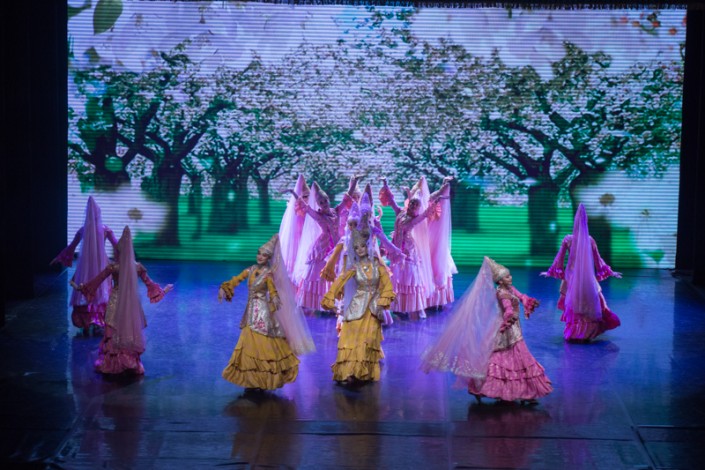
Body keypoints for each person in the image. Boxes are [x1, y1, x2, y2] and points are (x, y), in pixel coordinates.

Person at [422, 257, 552, 405]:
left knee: (514, 357)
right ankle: (497, 389)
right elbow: (508, 309)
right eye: (507, 277)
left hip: (513, 327)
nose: (510, 278)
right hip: (506, 327)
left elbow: (520, 295)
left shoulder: (509, 288)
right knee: (508, 357)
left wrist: (526, 300)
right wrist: (510, 316)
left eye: (510, 275)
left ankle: (519, 391)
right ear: (500, 281)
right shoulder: (502, 293)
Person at [219, 235, 314, 392]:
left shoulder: (268, 274)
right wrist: (226, 287)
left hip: (262, 313)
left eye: (264, 255)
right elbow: (237, 279)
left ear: (269, 258)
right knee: (248, 345)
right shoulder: (251, 270)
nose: (260, 257)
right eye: (259, 253)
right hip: (250, 312)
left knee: (263, 346)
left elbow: (272, 290)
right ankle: (251, 379)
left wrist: (275, 298)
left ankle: (262, 379)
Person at [75, 226, 172, 375]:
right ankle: (129, 362)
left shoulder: (113, 267)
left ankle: (113, 364)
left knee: (113, 332)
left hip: (115, 302)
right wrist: (164, 290)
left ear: (119, 251)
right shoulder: (138, 267)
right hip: (131, 305)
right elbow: (150, 285)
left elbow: (95, 282)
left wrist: (83, 287)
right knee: (128, 331)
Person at [322, 229, 396, 385]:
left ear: (368, 246)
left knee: (367, 340)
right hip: (357, 306)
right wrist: (330, 297)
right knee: (350, 339)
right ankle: (350, 371)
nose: (360, 249)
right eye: (356, 247)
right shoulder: (354, 267)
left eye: (362, 246)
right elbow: (340, 281)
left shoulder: (377, 264)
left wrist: (385, 297)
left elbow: (387, 284)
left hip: (373, 308)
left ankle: (362, 371)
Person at [542, 204, 622, 342]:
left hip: (573, 278)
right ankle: (585, 333)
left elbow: (560, 258)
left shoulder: (570, 239)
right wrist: (609, 271)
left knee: (577, 304)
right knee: (588, 303)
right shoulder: (587, 240)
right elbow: (597, 260)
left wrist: (552, 271)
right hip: (585, 279)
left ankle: (577, 332)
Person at [378, 177, 444, 319]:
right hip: (396, 248)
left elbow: (426, 214)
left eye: (415, 206)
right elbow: (391, 201)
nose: (412, 207)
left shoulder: (414, 219)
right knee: (396, 278)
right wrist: (385, 184)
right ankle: (398, 307)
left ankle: (410, 307)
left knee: (408, 279)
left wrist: (437, 201)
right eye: (412, 204)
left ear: (417, 209)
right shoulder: (401, 213)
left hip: (407, 251)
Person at [52, 196, 120, 333]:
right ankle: (98, 321)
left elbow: (71, 247)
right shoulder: (105, 230)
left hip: (85, 267)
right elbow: (118, 246)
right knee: (101, 289)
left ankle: (87, 321)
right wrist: (122, 259)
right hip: (101, 265)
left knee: (85, 288)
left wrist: (59, 257)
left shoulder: (83, 230)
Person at [292, 178, 358, 314]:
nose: (324, 204)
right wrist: (294, 194)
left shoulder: (336, 211)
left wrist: (354, 183)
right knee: (318, 273)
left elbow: (346, 199)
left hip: (337, 245)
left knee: (338, 269)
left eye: (325, 201)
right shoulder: (318, 215)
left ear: (328, 200)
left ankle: (335, 301)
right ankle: (315, 302)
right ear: (318, 204)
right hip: (323, 246)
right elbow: (306, 208)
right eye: (321, 202)